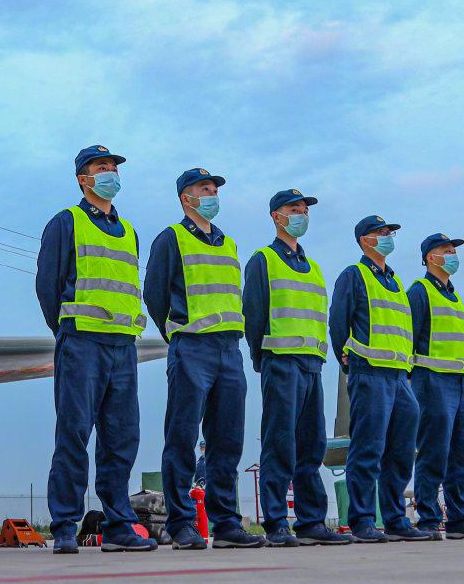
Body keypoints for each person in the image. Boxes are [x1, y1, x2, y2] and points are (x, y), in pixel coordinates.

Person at [34, 145, 157, 554]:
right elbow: (48, 285)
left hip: (123, 346)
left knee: (122, 439)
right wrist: (66, 331)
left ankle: (119, 524)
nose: (110, 174)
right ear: (83, 179)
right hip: (82, 342)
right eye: (102, 167)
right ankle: (64, 527)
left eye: (114, 168)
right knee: (74, 433)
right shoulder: (66, 222)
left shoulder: (130, 232)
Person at [144, 168, 267, 549]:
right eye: (205, 189)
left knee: (227, 441)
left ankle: (226, 524)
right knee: (182, 437)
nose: (213, 194)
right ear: (186, 198)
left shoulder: (228, 244)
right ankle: (181, 523)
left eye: (214, 189)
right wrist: (177, 333)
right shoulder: (171, 238)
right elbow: (154, 294)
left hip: (230, 350)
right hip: (192, 347)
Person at [244, 190, 352, 547]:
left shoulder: (314, 267)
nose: (302, 215)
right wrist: (262, 359)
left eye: (305, 210)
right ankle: (277, 523)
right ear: (276, 216)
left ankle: (311, 522)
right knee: (280, 444)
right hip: (280, 362)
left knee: (311, 445)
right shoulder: (263, 260)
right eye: (294, 210)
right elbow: (253, 314)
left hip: (311, 366)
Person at [328, 216, 430, 542]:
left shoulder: (396, 283)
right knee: (368, 449)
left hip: (400, 379)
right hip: (369, 373)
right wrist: (346, 360)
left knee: (401, 452)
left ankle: (396, 519)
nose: (388, 236)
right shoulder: (354, 275)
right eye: (381, 232)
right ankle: (362, 521)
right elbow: (337, 322)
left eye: (390, 232)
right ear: (364, 239)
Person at [406, 234, 464, 539]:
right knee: (434, 450)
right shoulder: (420, 291)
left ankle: (458, 518)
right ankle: (429, 518)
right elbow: (409, 336)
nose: (453, 255)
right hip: (432, 379)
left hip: (460, 382)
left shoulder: (455, 298)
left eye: (454, 251)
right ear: (431, 258)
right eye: (447, 251)